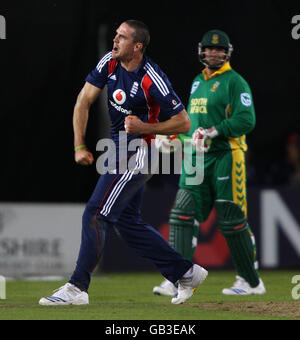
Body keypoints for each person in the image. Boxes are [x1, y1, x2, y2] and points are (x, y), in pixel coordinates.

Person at [39, 20, 208, 306]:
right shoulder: (110, 62)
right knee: (126, 222)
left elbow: (183, 121)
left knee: (95, 213)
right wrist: (79, 144)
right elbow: (83, 101)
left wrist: (144, 128)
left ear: (137, 46)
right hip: (119, 148)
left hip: (142, 150)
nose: (115, 41)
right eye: (115, 35)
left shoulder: (151, 77)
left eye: (122, 37)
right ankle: (186, 272)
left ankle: (77, 287)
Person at [153, 29, 266, 296]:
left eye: (219, 49)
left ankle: (251, 282)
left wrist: (214, 131)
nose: (213, 53)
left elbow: (246, 120)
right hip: (196, 158)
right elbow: (193, 125)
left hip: (227, 155)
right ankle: (177, 278)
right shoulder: (197, 82)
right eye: (209, 49)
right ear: (201, 51)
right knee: (181, 214)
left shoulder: (235, 82)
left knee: (231, 219)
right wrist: (175, 138)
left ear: (227, 53)